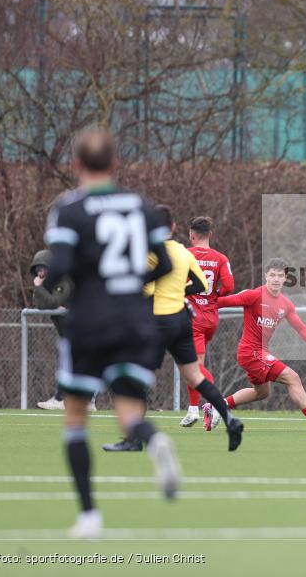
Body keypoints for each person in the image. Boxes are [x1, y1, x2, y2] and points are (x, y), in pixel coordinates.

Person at [42, 125, 179, 539]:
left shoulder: (69, 208)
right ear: (116, 164)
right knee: (128, 412)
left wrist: (57, 283)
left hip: (89, 320)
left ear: (77, 164)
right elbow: (167, 265)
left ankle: (89, 516)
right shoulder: (140, 206)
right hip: (134, 319)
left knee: (76, 417)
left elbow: (60, 268)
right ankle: (154, 442)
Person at [102, 206, 243, 451]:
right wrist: (179, 292)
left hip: (159, 321)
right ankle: (230, 420)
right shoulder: (181, 251)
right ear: (174, 228)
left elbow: (142, 290)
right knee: (195, 375)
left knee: (133, 378)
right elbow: (199, 284)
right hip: (182, 319)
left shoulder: (149, 252)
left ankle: (134, 440)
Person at [211, 257, 306, 432]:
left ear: (285, 278)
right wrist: (199, 303)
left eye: (280, 275)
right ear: (266, 276)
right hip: (250, 352)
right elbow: (220, 302)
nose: (276, 279)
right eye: (272, 275)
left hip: (260, 352)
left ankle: (218, 405)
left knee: (261, 393)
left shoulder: (286, 304)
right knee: (293, 378)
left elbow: (301, 328)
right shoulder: (254, 295)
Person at [180, 216, 235, 427]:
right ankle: (193, 409)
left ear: (191, 234)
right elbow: (229, 286)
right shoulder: (220, 258)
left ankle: (217, 402)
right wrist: (213, 297)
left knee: (193, 366)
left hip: (191, 316)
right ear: (210, 234)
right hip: (210, 318)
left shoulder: (185, 255)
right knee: (195, 364)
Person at [30, 250, 93, 411]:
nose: (41, 272)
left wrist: (39, 289)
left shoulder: (63, 280)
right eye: (38, 269)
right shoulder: (47, 284)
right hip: (69, 330)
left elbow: (54, 301)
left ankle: (62, 399)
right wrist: (41, 291)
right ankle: (85, 400)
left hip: (81, 327)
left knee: (75, 365)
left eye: (43, 268)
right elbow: (41, 304)